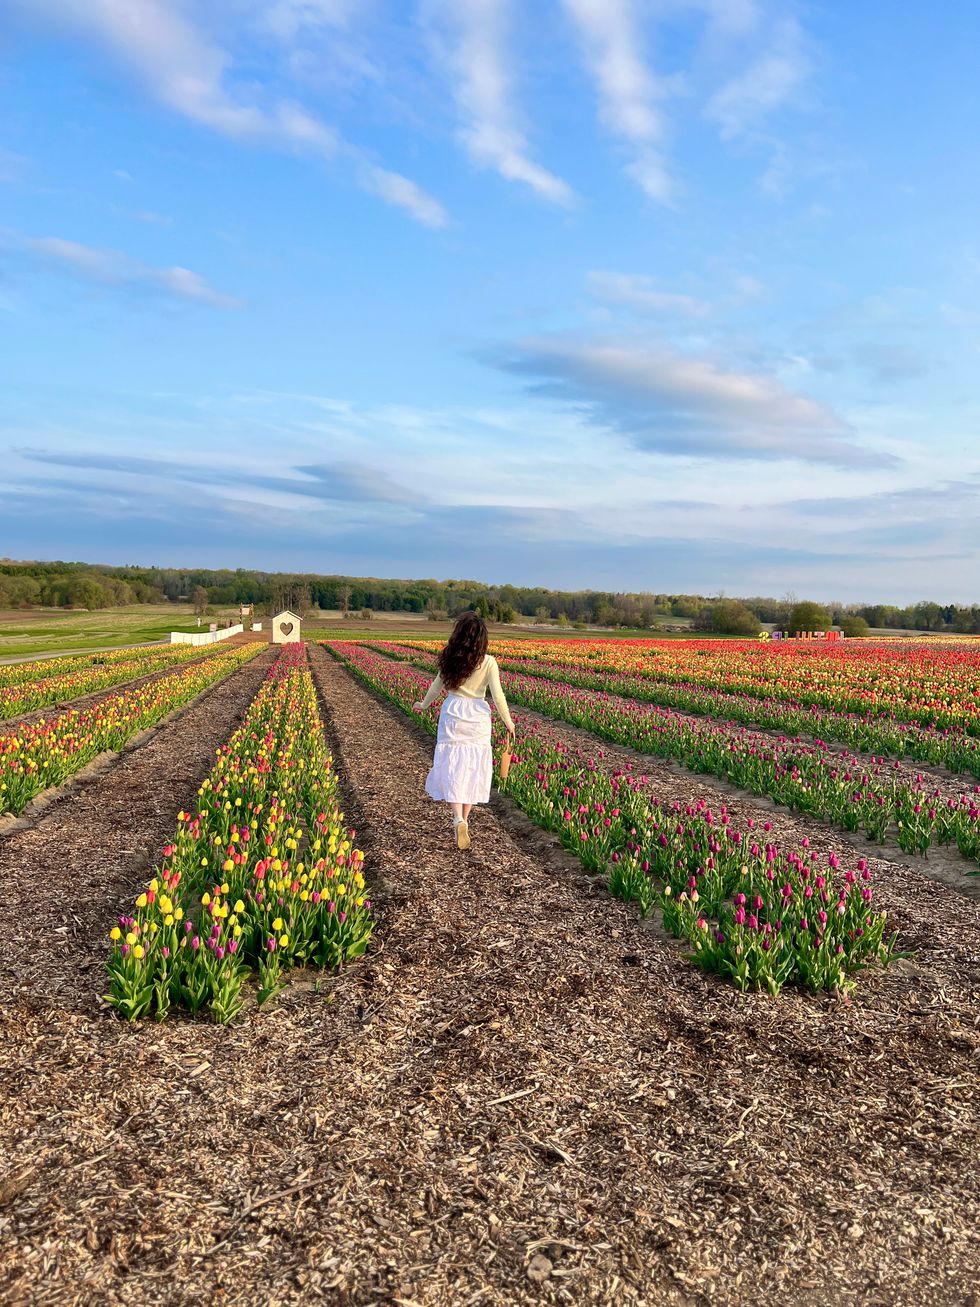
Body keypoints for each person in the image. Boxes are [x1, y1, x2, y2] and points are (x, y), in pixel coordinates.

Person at [413, 611, 515, 850]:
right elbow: (498, 696)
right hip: (477, 716)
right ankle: (465, 820)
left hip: (453, 713)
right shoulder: (488, 662)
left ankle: (458, 818)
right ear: (482, 639)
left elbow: (436, 687)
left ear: (458, 635)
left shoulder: (450, 658)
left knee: (452, 765)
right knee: (472, 767)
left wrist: (423, 704)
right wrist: (508, 721)